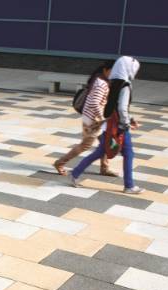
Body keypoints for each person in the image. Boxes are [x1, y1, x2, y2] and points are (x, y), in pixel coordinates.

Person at [71, 56, 143, 194]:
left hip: (108, 124)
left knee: (102, 151)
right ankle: (129, 186)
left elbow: (114, 106)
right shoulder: (125, 85)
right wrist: (127, 123)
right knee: (128, 154)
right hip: (118, 127)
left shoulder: (112, 81)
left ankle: (75, 173)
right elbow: (122, 108)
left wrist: (130, 118)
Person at [53, 60, 116, 177]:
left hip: (93, 118)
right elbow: (94, 103)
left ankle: (104, 168)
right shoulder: (101, 83)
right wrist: (102, 118)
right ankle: (59, 163)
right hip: (94, 121)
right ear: (106, 70)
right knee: (85, 145)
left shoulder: (99, 79)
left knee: (105, 142)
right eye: (113, 71)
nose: (114, 74)